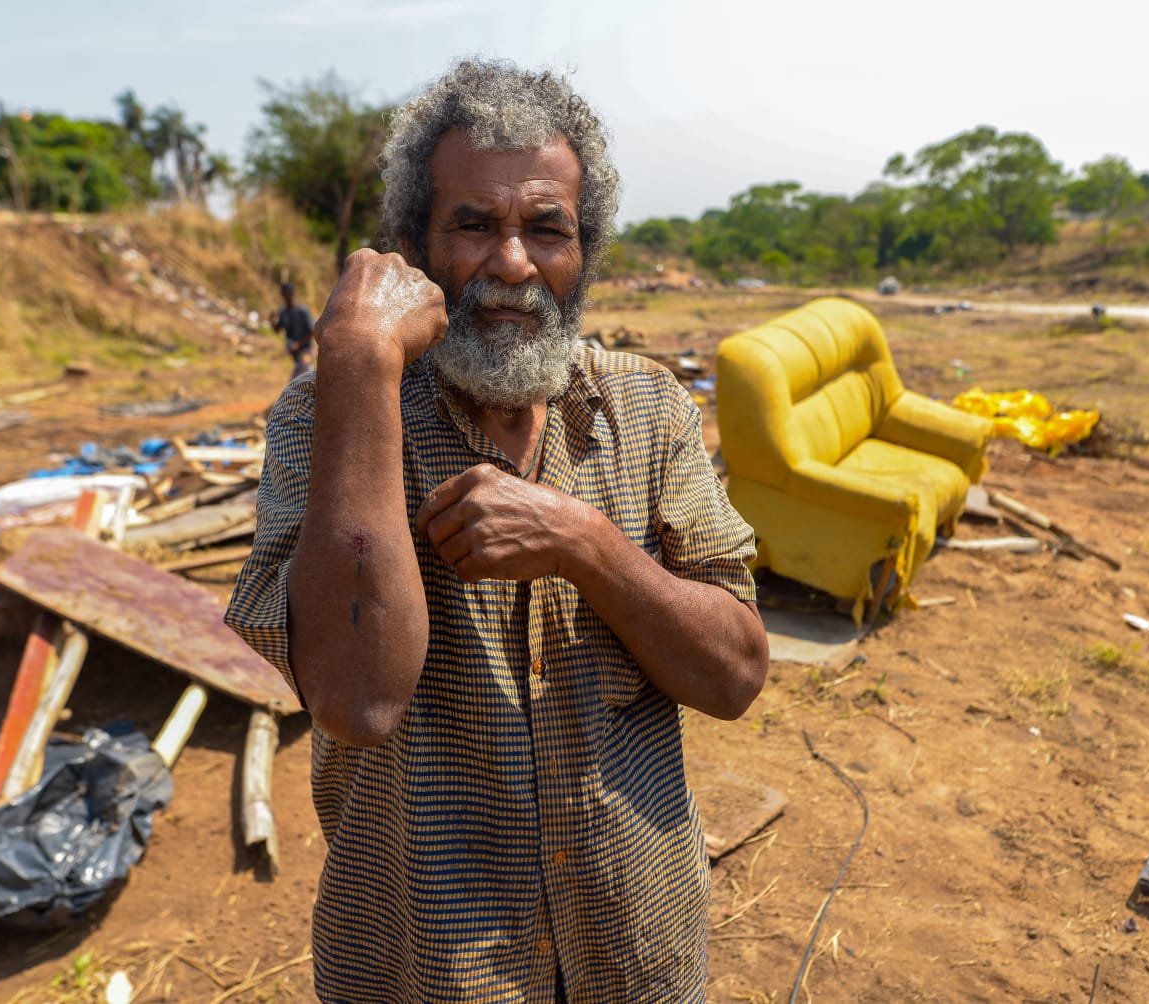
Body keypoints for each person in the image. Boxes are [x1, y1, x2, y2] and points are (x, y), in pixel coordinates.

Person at [225, 59, 769, 1003]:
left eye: (545, 229)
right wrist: (358, 359)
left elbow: (735, 675)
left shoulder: (648, 411)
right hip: (429, 965)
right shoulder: (332, 416)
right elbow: (356, 705)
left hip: (634, 951)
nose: (513, 264)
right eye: (474, 225)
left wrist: (587, 544)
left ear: (583, 252)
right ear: (413, 250)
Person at [271, 282, 316, 377]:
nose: (287, 296)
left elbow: (312, 331)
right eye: (285, 294)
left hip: (306, 351)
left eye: (289, 293)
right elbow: (277, 330)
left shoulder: (302, 310)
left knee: (301, 377)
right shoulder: (283, 312)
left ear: (292, 293)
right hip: (295, 355)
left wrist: (298, 344)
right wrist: (272, 321)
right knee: (303, 377)